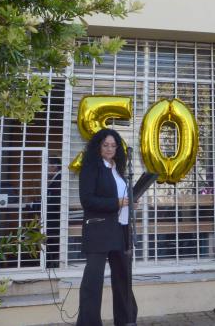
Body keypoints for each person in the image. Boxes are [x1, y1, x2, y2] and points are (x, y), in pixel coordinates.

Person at [76, 128, 138, 326]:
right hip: (99, 231)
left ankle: (127, 321)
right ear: (98, 146)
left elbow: (122, 198)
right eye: (106, 145)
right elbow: (87, 200)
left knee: (123, 280)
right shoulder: (91, 167)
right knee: (93, 283)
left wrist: (130, 201)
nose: (110, 149)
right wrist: (117, 202)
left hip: (121, 229)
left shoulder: (118, 169)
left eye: (113, 145)